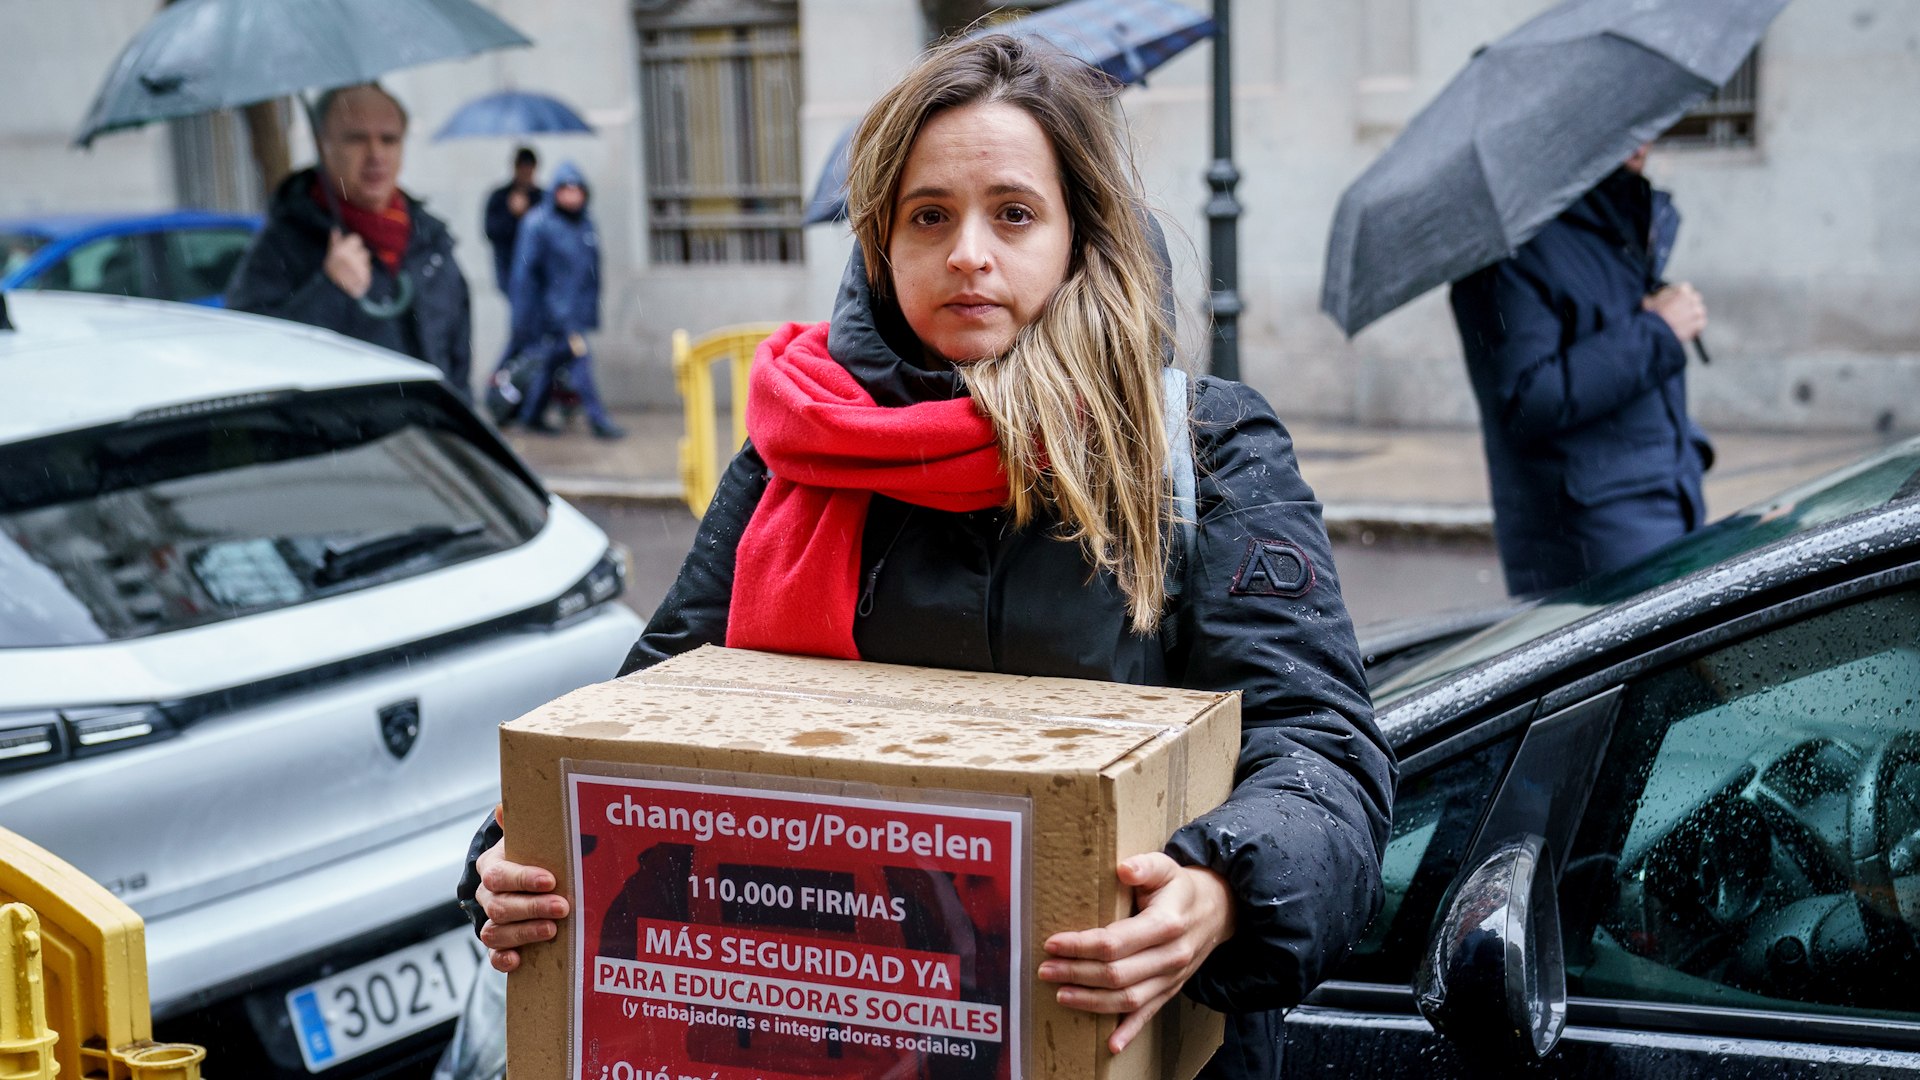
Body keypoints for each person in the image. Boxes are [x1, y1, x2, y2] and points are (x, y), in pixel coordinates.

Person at [458, 35, 1391, 1078]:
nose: (968, 255)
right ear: (880, 244)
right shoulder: (788, 460)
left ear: (1081, 235)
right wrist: (508, 859)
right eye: (929, 216)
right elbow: (635, 734)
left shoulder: (1201, 452)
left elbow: (1325, 756)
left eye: (1015, 213)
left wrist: (1218, 894)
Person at [1450, 143, 1714, 596]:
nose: (1640, 139)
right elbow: (1527, 399)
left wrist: (1689, 452)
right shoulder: (1518, 246)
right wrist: (1658, 330)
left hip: (1664, 502)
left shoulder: (1617, 223)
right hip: (1599, 530)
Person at [226, 83, 473, 400]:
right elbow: (249, 357)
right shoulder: (283, 243)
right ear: (322, 145)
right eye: (356, 139)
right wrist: (328, 291)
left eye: (389, 139)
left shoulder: (430, 242)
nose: (376, 155)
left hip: (425, 441)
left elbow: (457, 366)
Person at [504, 162, 623, 439]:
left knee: (549, 366)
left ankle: (530, 415)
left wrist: (589, 311)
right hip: (552, 316)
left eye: (577, 189)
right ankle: (598, 419)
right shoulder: (538, 223)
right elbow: (524, 275)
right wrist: (526, 319)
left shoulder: (585, 224)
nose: (572, 195)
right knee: (581, 364)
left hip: (573, 313)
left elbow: (590, 274)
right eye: (566, 189)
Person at [483, 146, 543, 294]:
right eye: (522, 167)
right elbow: (490, 231)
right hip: (509, 266)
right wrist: (512, 215)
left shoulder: (542, 198)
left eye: (528, 167)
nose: (525, 172)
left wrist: (526, 214)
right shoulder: (499, 197)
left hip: (537, 267)